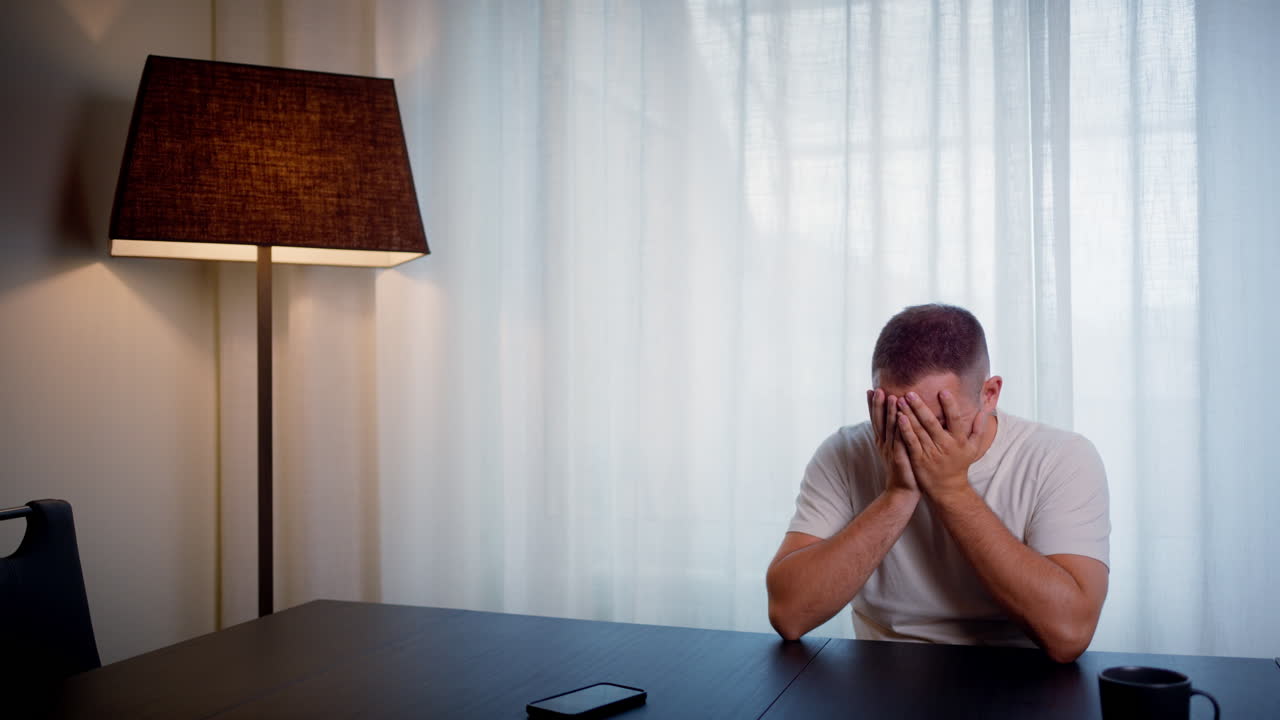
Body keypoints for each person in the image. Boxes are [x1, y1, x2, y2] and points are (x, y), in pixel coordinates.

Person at [765, 304, 1109, 663]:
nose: (915, 437)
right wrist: (897, 495)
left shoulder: (1061, 457)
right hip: (882, 674)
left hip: (1022, 677)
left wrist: (951, 490)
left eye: (938, 421)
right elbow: (789, 614)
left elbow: (1070, 634)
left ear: (989, 394)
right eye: (898, 418)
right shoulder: (845, 452)